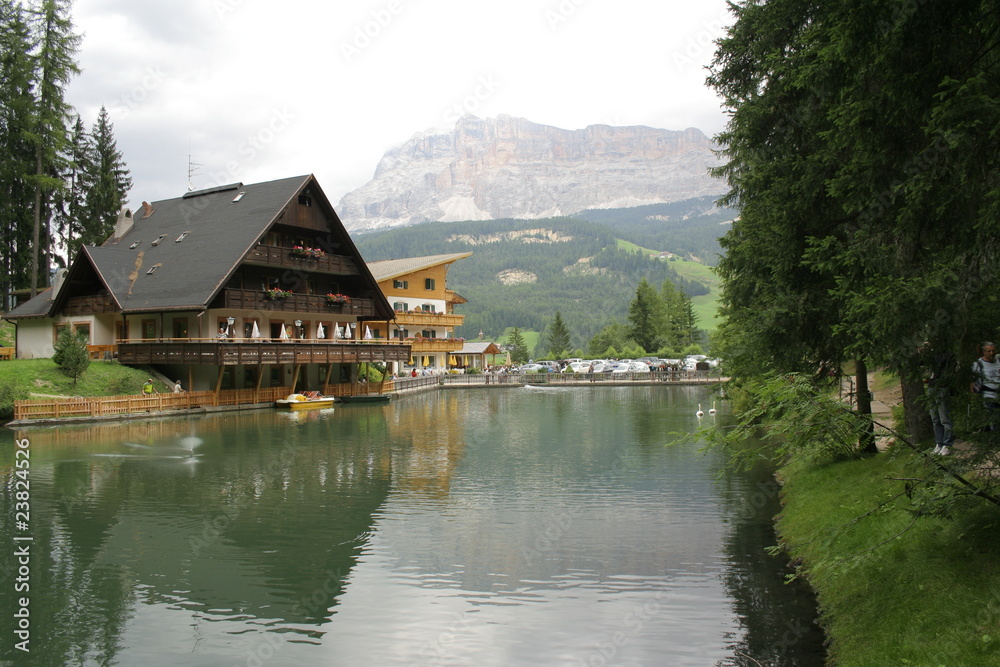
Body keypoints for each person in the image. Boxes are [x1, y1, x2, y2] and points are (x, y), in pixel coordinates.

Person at [919, 342, 955, 455]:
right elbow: (920, 363)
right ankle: (939, 443)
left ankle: (947, 444)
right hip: (931, 387)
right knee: (935, 419)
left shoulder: (948, 355)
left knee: (944, 418)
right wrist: (922, 353)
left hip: (942, 388)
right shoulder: (930, 355)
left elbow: (950, 371)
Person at [971, 341, 1000, 431]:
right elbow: (972, 381)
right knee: (994, 419)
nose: (992, 353)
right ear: (984, 352)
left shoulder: (998, 360)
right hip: (988, 396)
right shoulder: (978, 364)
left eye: (993, 350)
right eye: (989, 351)